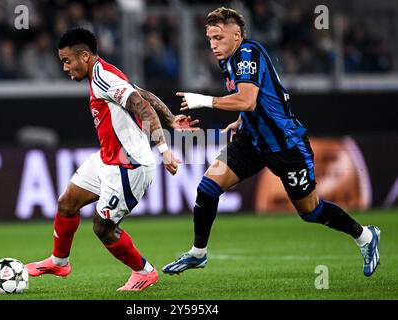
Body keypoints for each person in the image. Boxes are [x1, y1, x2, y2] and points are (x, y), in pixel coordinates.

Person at [162, 7, 380, 277]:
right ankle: (198, 253)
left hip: (286, 146)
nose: (213, 44)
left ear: (237, 35)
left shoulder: (247, 53)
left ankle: (365, 237)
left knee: (310, 211)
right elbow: (260, 96)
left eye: (218, 37)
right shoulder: (229, 60)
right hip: (251, 141)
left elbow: (248, 99)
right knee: (208, 187)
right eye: (209, 39)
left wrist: (204, 101)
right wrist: (242, 120)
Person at [25, 27, 198, 291]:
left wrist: (164, 149)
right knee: (67, 203)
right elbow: (145, 95)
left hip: (129, 166)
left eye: (67, 61)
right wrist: (171, 118)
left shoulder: (104, 77)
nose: (65, 68)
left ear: (84, 56)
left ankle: (144, 271)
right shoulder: (105, 72)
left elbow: (141, 105)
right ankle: (59, 261)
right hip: (108, 159)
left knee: (103, 227)